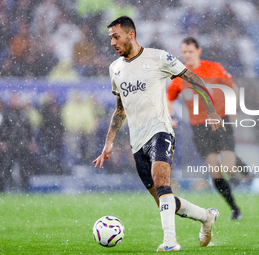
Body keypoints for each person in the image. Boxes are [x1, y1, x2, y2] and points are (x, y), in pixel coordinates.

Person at [93, 16, 224, 251]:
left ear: (130, 34)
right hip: (137, 142)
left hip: (160, 131)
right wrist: (109, 142)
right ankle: (206, 217)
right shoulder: (115, 69)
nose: (112, 42)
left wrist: (211, 110)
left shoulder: (158, 57)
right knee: (166, 201)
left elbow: (194, 79)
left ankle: (170, 242)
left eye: (116, 36)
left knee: (163, 182)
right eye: (110, 38)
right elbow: (120, 109)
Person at [167, 37, 248, 220]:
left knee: (228, 166)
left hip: (220, 121)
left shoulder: (214, 68)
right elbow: (169, 98)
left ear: (198, 51)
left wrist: (233, 108)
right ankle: (235, 209)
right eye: (184, 52)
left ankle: (244, 171)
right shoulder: (180, 76)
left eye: (190, 51)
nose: (186, 55)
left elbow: (232, 87)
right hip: (198, 129)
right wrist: (170, 117)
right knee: (215, 170)